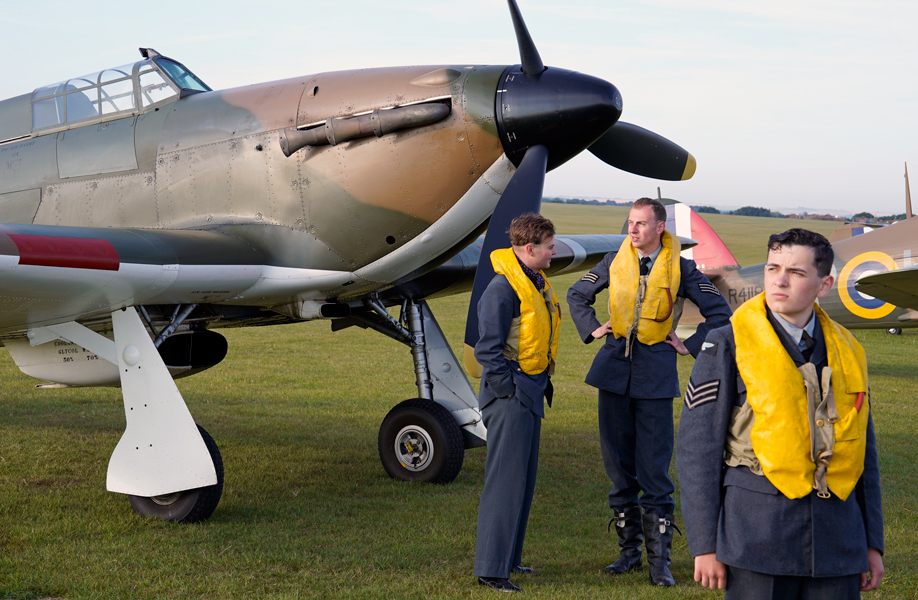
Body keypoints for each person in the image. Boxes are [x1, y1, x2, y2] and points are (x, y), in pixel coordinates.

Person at [676, 228, 884, 599]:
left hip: (838, 540)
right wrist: (705, 544)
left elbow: (861, 452)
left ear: (824, 284)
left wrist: (871, 543)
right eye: (773, 268)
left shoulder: (848, 350)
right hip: (757, 538)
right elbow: (697, 449)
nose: (780, 280)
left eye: (797, 272)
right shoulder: (727, 343)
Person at [567, 198, 731, 586]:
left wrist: (688, 345)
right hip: (612, 374)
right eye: (630, 222)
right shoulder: (612, 260)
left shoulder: (682, 267)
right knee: (619, 470)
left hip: (655, 377)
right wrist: (592, 328)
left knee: (654, 473)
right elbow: (577, 295)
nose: (633, 229)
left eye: (641, 223)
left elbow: (720, 312)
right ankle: (628, 554)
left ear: (660, 227)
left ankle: (660, 564)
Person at [474, 212, 561, 593]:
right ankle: (491, 569)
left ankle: (509, 558)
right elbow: (487, 351)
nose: (554, 252)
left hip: (529, 393)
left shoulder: (534, 281)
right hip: (511, 396)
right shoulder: (502, 289)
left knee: (522, 482)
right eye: (549, 247)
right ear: (530, 249)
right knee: (505, 482)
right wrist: (509, 390)